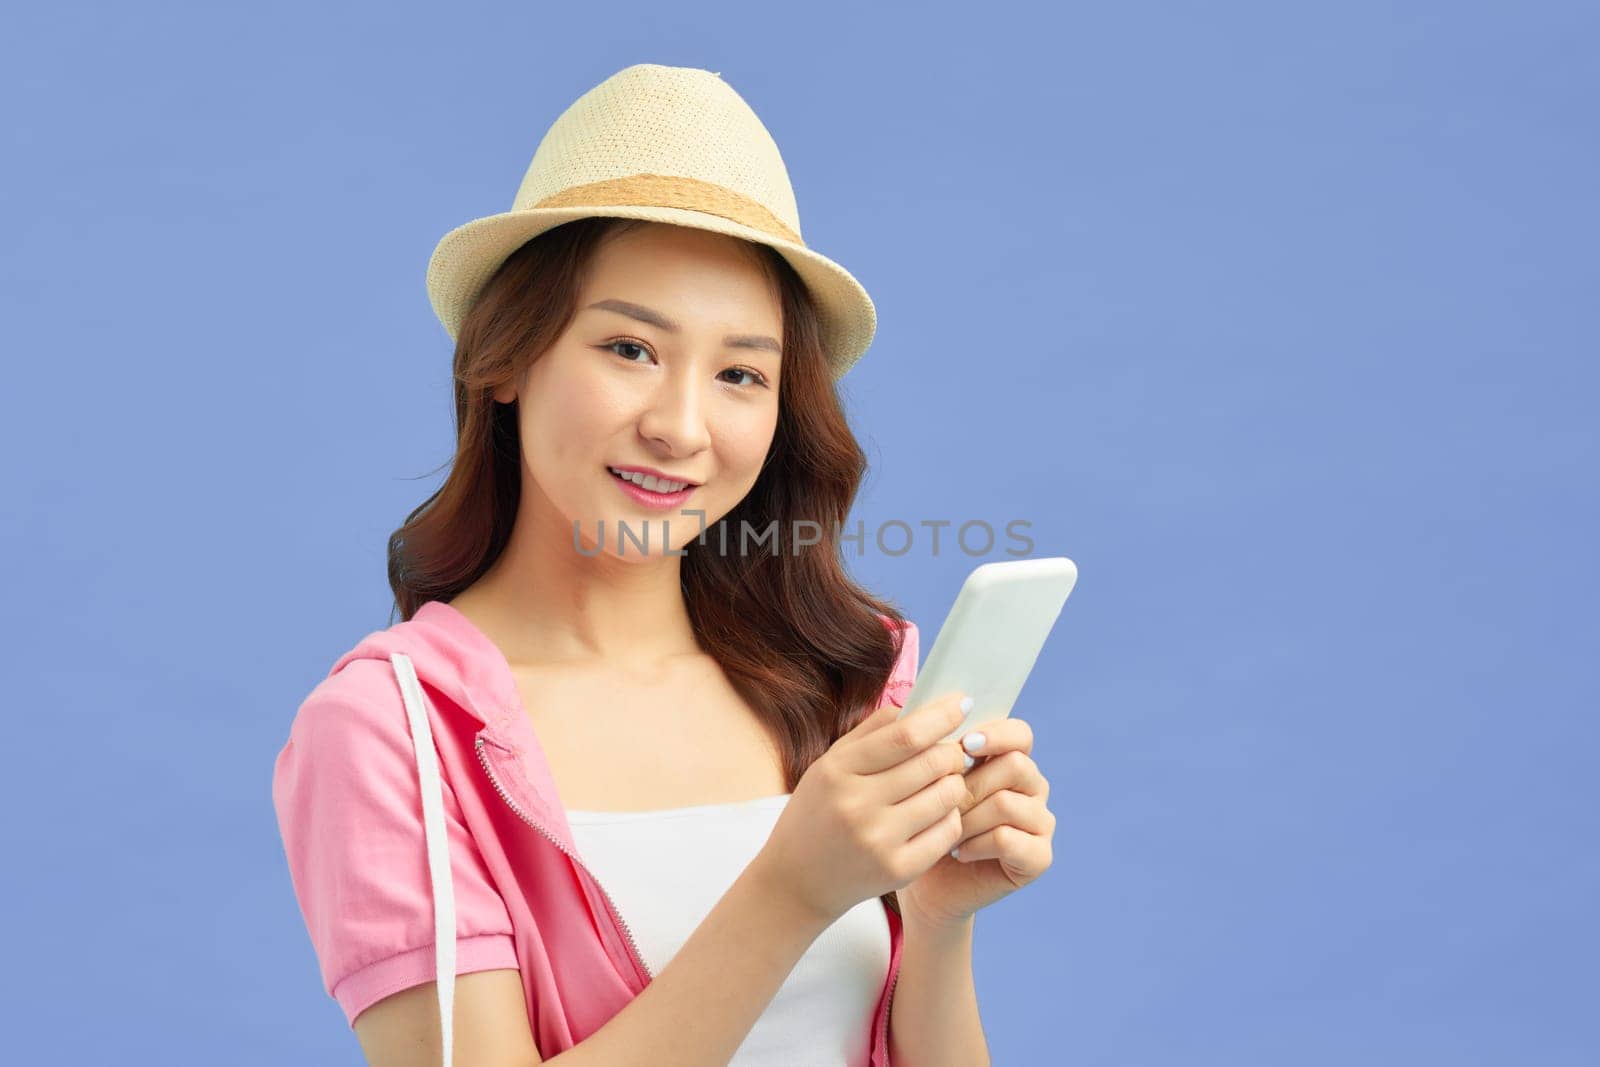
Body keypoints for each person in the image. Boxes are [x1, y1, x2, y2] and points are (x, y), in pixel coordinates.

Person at [271, 63, 1056, 1066]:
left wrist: (940, 916)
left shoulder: (851, 681)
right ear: (506, 358)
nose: (681, 427)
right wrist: (789, 890)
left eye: (739, 373)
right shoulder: (395, 735)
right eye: (630, 349)